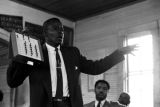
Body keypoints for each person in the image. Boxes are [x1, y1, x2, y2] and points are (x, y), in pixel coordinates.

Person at [7, 17, 136, 107]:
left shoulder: (72, 53)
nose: (61, 32)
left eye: (62, 29)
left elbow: (96, 67)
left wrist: (118, 53)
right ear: (45, 32)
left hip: (69, 104)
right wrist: (19, 54)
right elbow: (13, 81)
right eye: (55, 29)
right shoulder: (34, 52)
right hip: (45, 104)